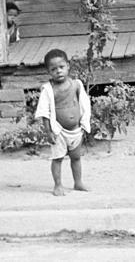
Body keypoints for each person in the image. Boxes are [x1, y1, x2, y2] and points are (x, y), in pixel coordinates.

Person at [33, 49, 91, 196]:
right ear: (48, 72)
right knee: (57, 158)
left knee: (76, 157)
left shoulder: (76, 84)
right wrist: (49, 131)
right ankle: (58, 185)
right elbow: (45, 112)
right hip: (59, 131)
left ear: (68, 66)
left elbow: (84, 104)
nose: (58, 71)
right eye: (53, 69)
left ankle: (78, 182)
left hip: (76, 130)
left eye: (61, 67)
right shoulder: (49, 89)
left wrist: (84, 123)